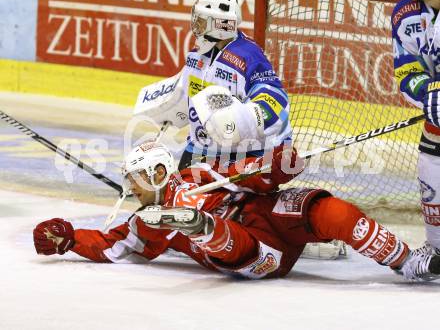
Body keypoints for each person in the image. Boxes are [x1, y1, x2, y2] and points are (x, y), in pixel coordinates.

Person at [33, 141, 440, 281]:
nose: (131, 188)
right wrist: (69, 239)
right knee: (222, 240)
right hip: (255, 254)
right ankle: (201, 227)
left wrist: (278, 167)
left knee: (335, 213)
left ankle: (407, 263)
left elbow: (252, 178)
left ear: (158, 172)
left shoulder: (198, 173)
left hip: (266, 212)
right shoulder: (145, 223)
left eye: (135, 179)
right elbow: (110, 246)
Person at [177, 0, 292, 170]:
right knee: (178, 194)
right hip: (200, 147)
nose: (195, 25)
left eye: (201, 20)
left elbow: (275, 99)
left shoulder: (248, 56)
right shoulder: (197, 54)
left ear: (220, 24)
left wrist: (243, 122)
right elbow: (187, 91)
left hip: (243, 154)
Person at [392, 0, 440, 255]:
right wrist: (428, 92)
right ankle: (437, 247)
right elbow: (406, 72)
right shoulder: (405, 13)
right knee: (432, 141)